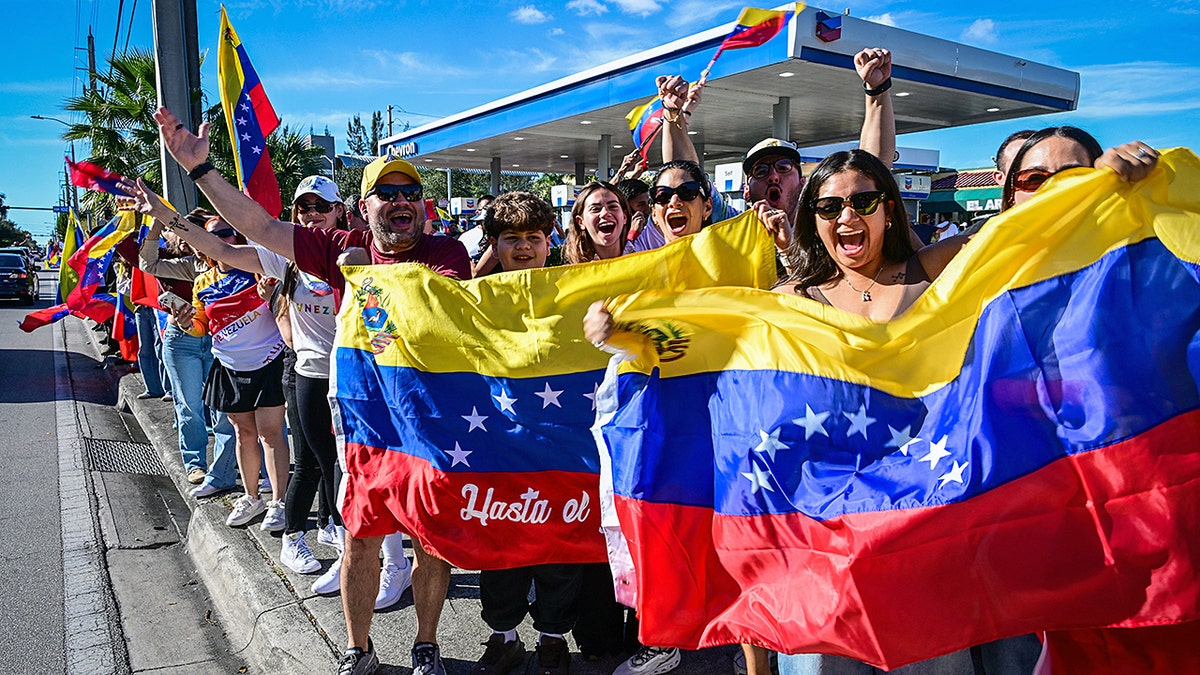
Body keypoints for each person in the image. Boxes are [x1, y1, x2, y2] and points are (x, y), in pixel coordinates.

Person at [148, 104, 471, 675]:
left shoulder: (447, 253)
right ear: (365, 207)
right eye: (386, 194)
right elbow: (259, 229)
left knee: (429, 540)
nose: (400, 202)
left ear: (422, 205)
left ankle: (425, 646)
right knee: (361, 535)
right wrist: (200, 171)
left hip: (429, 419)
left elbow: (429, 307)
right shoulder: (335, 245)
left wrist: (362, 276)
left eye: (409, 194)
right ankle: (358, 651)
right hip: (364, 417)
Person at [469, 192, 579, 675]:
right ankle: (504, 635)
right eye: (511, 238)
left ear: (549, 241)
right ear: (493, 243)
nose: (523, 247)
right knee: (500, 549)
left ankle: (553, 638)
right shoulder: (473, 298)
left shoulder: (573, 290)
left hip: (561, 446)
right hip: (498, 446)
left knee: (560, 549)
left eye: (533, 237)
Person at [184, 216, 290, 530]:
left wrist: (269, 293)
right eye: (217, 235)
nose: (226, 239)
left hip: (269, 360)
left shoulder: (260, 268)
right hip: (229, 366)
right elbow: (201, 327)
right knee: (244, 435)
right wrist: (184, 321)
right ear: (206, 245)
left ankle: (278, 502)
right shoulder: (202, 282)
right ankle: (251, 497)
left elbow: (283, 309)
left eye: (231, 232)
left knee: (271, 433)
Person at [137, 209, 239, 499]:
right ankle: (196, 464)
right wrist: (157, 223)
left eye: (198, 235)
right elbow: (148, 262)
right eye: (184, 234)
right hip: (182, 342)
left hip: (221, 341)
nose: (192, 241)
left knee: (224, 410)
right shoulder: (188, 265)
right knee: (190, 406)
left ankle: (225, 467)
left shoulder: (233, 259)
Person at [564, 181, 632, 264]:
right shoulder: (572, 274)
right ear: (581, 222)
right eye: (595, 209)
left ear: (625, 217)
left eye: (613, 207)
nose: (605, 213)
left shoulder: (642, 263)